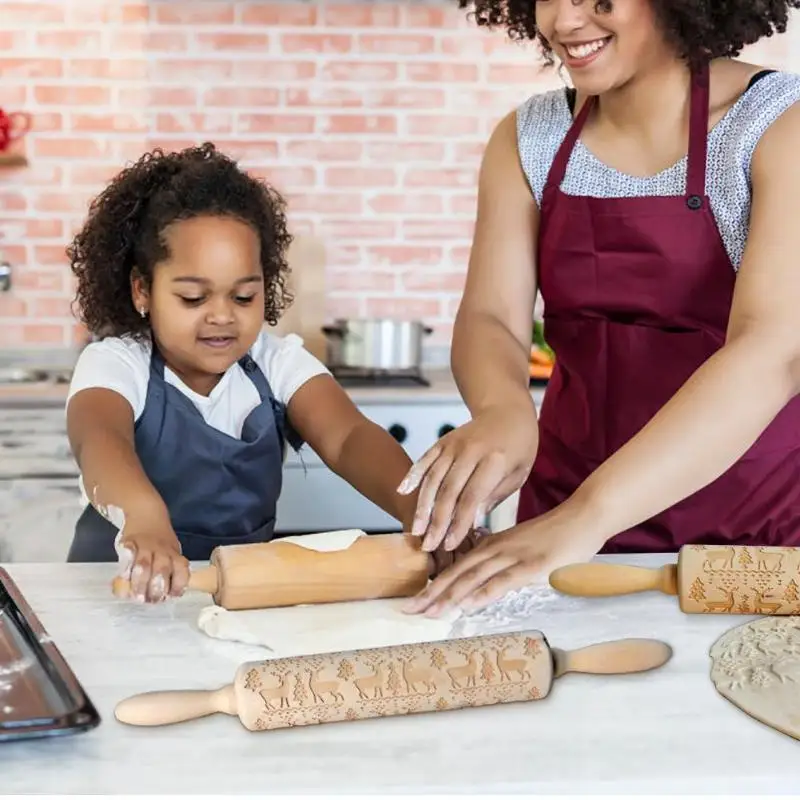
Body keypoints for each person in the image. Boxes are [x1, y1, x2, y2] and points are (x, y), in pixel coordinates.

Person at [400, 0, 800, 617]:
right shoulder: (530, 138)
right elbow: (493, 319)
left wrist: (589, 516)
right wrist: (504, 411)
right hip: (562, 532)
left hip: (751, 539)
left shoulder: (776, 125)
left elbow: (771, 351)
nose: (563, 21)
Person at [64, 142, 431, 603]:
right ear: (142, 290)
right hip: (110, 598)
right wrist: (144, 516)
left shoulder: (276, 363)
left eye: (243, 297)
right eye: (193, 298)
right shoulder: (118, 362)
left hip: (232, 602)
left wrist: (423, 510)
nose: (222, 316)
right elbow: (100, 440)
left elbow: (349, 437)